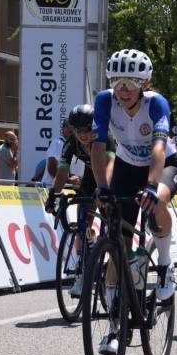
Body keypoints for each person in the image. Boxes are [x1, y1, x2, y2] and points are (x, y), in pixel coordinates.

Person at [89, 49, 177, 355]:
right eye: (117, 81)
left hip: (163, 164)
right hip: (127, 166)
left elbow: (158, 149)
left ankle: (165, 265)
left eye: (131, 82)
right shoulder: (104, 101)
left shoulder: (156, 103)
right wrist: (102, 187)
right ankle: (114, 328)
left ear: (145, 84)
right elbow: (98, 147)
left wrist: (153, 187)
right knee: (117, 243)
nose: (123, 89)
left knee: (158, 204)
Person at [45, 104, 116, 296]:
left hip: (111, 176)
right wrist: (54, 194)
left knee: (112, 223)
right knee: (82, 223)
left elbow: (109, 165)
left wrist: (103, 190)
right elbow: (62, 172)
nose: (82, 135)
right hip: (90, 178)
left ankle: (112, 255)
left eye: (86, 129)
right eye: (78, 130)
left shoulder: (105, 138)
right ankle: (81, 271)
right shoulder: (70, 144)